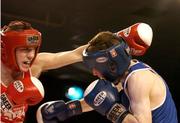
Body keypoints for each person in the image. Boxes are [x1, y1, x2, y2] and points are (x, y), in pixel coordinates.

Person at [36, 23, 177, 123]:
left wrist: (113, 110)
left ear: (111, 66)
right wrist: (68, 109)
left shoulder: (138, 79)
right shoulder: (126, 75)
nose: (94, 72)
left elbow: (109, 104)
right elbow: (101, 98)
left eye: (95, 66)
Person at [0, 20, 88, 123]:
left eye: (34, 49)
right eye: (25, 49)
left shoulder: (34, 66)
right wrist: (5, 102)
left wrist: (108, 44)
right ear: (6, 49)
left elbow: (76, 54)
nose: (31, 56)